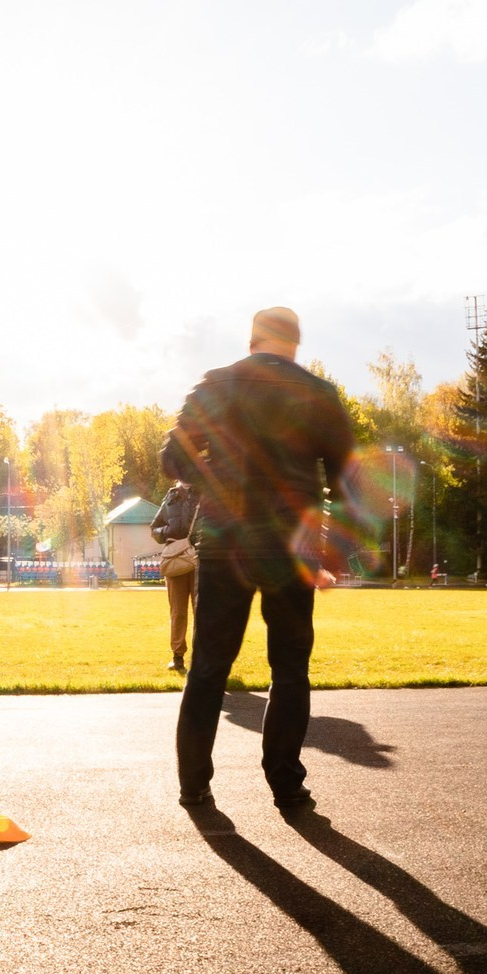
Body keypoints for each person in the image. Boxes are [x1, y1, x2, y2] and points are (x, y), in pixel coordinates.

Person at [163, 306, 360, 819]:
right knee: (289, 668)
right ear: (297, 343)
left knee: (208, 665)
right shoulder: (318, 393)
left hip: (228, 537)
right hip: (289, 545)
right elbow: (346, 482)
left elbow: (173, 459)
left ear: (251, 340)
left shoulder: (218, 383)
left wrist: (220, 478)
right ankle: (287, 790)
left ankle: (193, 787)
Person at [151, 480, 198, 673]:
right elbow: (154, 528)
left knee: (202, 612)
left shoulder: (204, 494)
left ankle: (202, 659)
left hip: (200, 560)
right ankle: (178, 657)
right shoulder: (170, 498)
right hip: (175, 562)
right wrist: (167, 532)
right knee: (177, 612)